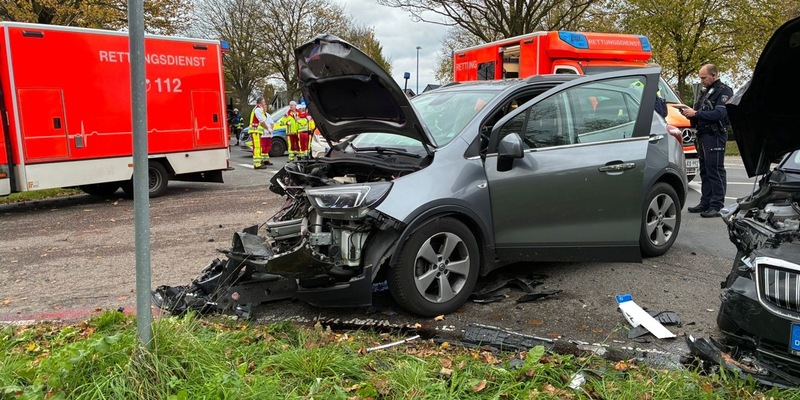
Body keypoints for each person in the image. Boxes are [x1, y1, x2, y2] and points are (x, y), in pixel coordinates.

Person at [681, 64, 733, 218]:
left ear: (714, 75)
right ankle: (706, 202)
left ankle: (716, 206)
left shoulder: (724, 91)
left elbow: (719, 113)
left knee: (715, 170)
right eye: (700, 78)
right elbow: (701, 112)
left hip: (715, 135)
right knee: (705, 170)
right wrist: (690, 115)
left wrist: (696, 113)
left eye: (704, 77)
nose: (702, 80)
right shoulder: (707, 92)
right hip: (704, 135)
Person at [248, 97, 274, 169]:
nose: (265, 103)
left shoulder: (259, 109)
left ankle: (258, 162)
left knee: (258, 147)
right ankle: (257, 164)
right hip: (255, 130)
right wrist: (268, 128)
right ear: (260, 103)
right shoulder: (258, 109)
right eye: (264, 102)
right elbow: (261, 121)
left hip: (256, 131)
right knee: (257, 147)